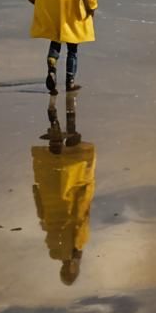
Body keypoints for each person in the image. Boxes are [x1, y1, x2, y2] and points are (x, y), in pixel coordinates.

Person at [33, 92, 96, 285]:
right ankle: (60, 112)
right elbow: (45, 219)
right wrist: (36, 193)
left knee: (70, 158)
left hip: (61, 196)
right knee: (60, 158)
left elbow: (78, 217)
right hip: (53, 195)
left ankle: (65, 109)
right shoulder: (61, 249)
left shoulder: (70, 247)